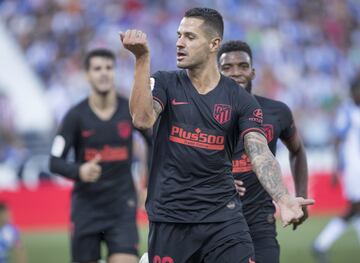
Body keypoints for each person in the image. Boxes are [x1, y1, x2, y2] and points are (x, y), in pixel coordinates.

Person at [120, 7, 314, 263]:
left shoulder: (241, 100)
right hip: (170, 220)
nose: (179, 42)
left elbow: (259, 152)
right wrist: (142, 59)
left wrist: (283, 198)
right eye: (179, 35)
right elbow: (142, 119)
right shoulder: (165, 83)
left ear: (213, 44)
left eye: (190, 37)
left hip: (224, 220)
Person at [49, 48, 150, 263]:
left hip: (122, 206)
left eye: (108, 68)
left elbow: (153, 141)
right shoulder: (75, 116)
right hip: (87, 209)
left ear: (114, 72)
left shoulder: (129, 109)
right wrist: (79, 170)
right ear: (87, 75)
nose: (103, 73)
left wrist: (147, 182)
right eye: (97, 68)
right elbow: (54, 162)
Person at [218, 40, 309, 263]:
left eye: (242, 66)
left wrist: (300, 196)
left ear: (253, 71)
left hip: (261, 223)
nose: (236, 72)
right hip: (217, 222)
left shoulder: (276, 112)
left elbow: (297, 151)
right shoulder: (202, 113)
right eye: (227, 67)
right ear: (217, 72)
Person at [312, 74, 360, 263]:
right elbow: (338, 140)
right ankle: (320, 244)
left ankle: (321, 244)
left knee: (357, 209)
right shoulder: (347, 111)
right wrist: (334, 168)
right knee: (354, 208)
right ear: (353, 92)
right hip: (354, 168)